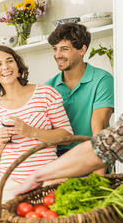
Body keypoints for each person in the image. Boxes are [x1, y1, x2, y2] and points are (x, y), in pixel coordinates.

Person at [0, 45, 73, 223]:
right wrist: (1, 142)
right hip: (10, 186)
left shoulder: (45, 93)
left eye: (9, 60)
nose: (5, 66)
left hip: (47, 183)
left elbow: (66, 135)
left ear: (18, 66)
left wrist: (30, 131)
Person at [17, 78, 123, 196]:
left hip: (81, 162)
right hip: (67, 164)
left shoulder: (101, 80)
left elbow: (103, 146)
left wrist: (37, 176)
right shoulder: (51, 84)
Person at [45, 23, 114, 175]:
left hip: (91, 159)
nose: (57, 55)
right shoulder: (48, 87)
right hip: (58, 164)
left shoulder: (102, 80)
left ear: (82, 50)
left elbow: (99, 129)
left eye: (64, 49)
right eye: (55, 49)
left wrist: (98, 177)